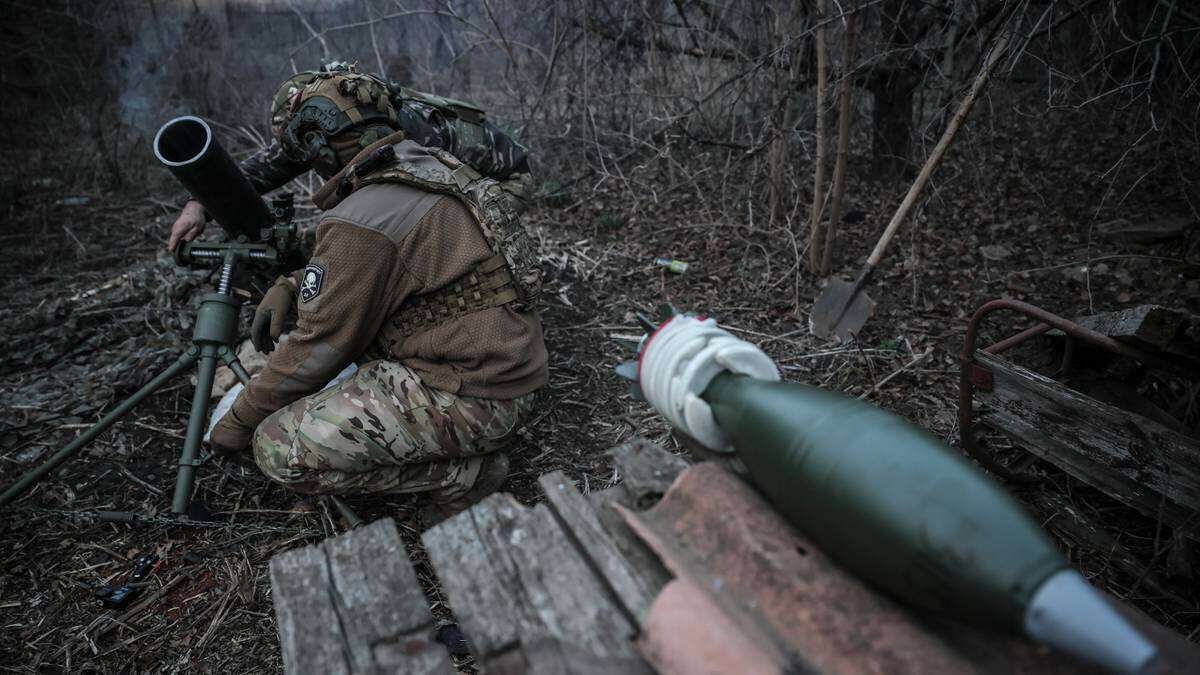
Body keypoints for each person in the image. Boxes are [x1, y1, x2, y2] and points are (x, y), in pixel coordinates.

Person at [202, 63, 547, 523]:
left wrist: (237, 423)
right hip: (507, 370)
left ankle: (463, 475)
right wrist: (293, 282)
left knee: (275, 446)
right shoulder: (432, 165)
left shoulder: (361, 216)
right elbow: (389, 264)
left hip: (476, 396)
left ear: (320, 149)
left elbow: (316, 348)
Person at [167, 61, 533, 252]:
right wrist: (198, 202)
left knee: (427, 247)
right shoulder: (329, 123)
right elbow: (267, 167)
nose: (309, 155)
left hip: (502, 181)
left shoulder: (410, 132)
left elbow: (412, 211)